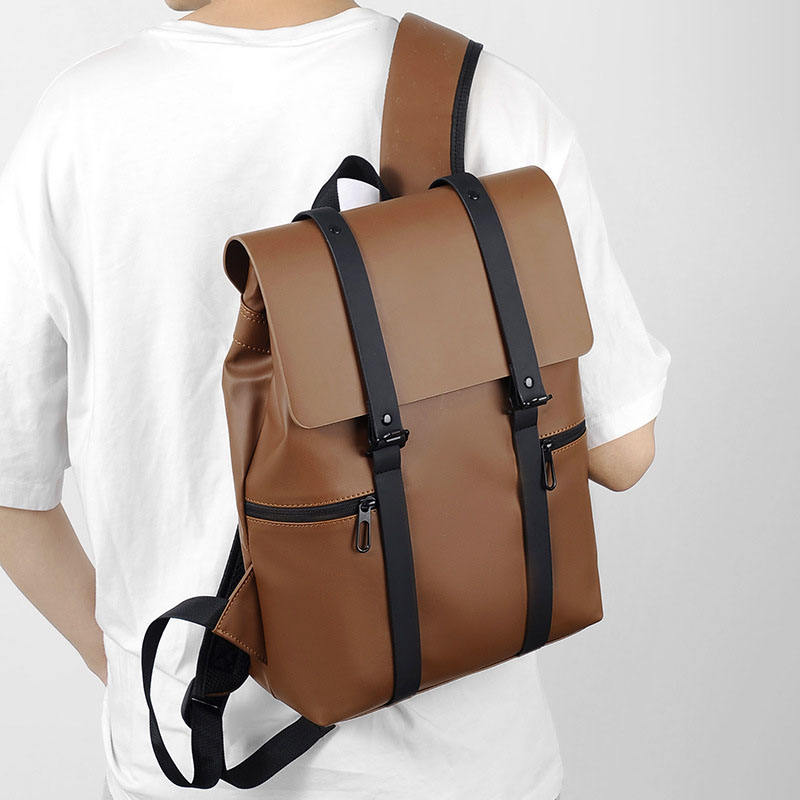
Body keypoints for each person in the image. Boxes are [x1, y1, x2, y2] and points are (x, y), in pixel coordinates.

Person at [0, 1, 670, 798]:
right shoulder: (483, 96)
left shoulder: (75, 123)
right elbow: (623, 454)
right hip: (463, 769)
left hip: (184, 755)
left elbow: (11, 488)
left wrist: (123, 670)